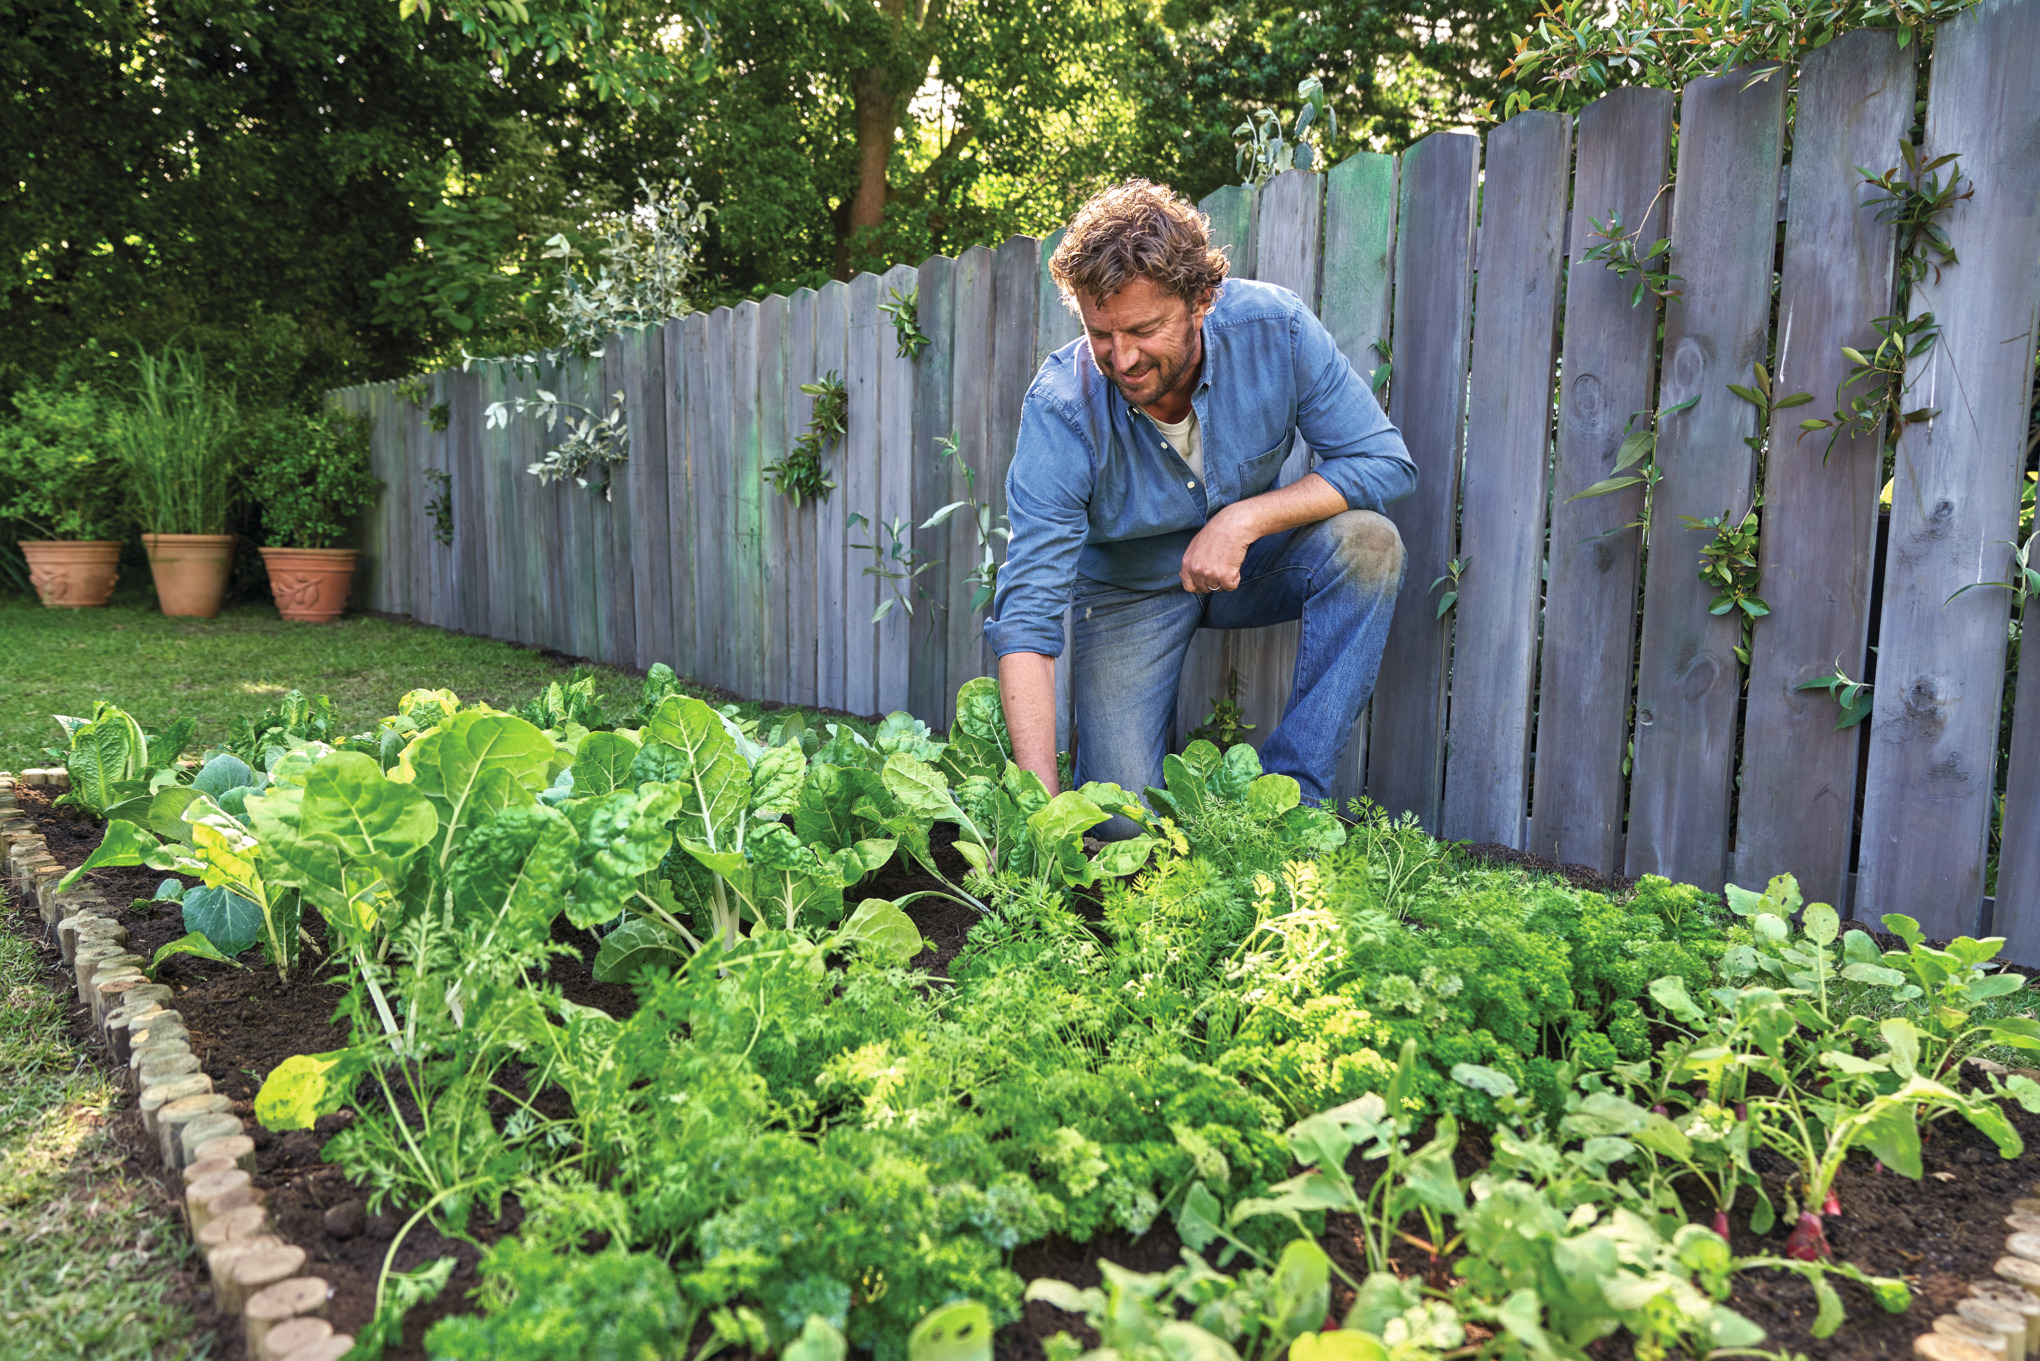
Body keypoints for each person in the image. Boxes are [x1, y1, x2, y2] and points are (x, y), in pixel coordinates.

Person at [985, 178, 1415, 836]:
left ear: (1202, 300)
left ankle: (1289, 806)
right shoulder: (1062, 408)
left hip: (1250, 563)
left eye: (1144, 330)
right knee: (1119, 826)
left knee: (1370, 543)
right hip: (1127, 589)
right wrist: (1039, 813)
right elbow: (1029, 610)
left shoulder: (1277, 330)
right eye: (1101, 334)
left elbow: (1385, 460)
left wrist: (1243, 519)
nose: (1121, 358)